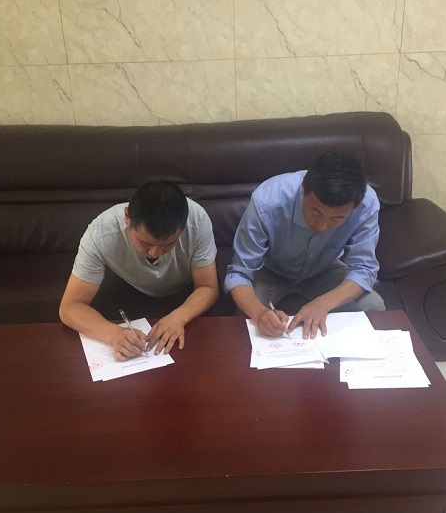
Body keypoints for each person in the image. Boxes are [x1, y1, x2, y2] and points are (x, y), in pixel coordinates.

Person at [224, 151, 384, 340]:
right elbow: (239, 274)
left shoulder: (367, 205)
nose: (322, 226)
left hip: (324, 269)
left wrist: (323, 303)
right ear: (303, 190)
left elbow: (364, 269)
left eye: (337, 218)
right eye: (316, 212)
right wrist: (260, 314)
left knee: (373, 305)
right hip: (269, 271)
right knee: (248, 319)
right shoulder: (266, 202)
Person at [59, 181, 219, 360]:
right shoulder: (102, 232)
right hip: (131, 289)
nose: (155, 253)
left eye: (168, 245)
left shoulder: (197, 221)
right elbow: (70, 307)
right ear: (127, 217)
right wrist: (114, 334)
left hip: (185, 291)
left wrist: (179, 316)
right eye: (145, 243)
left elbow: (207, 287)